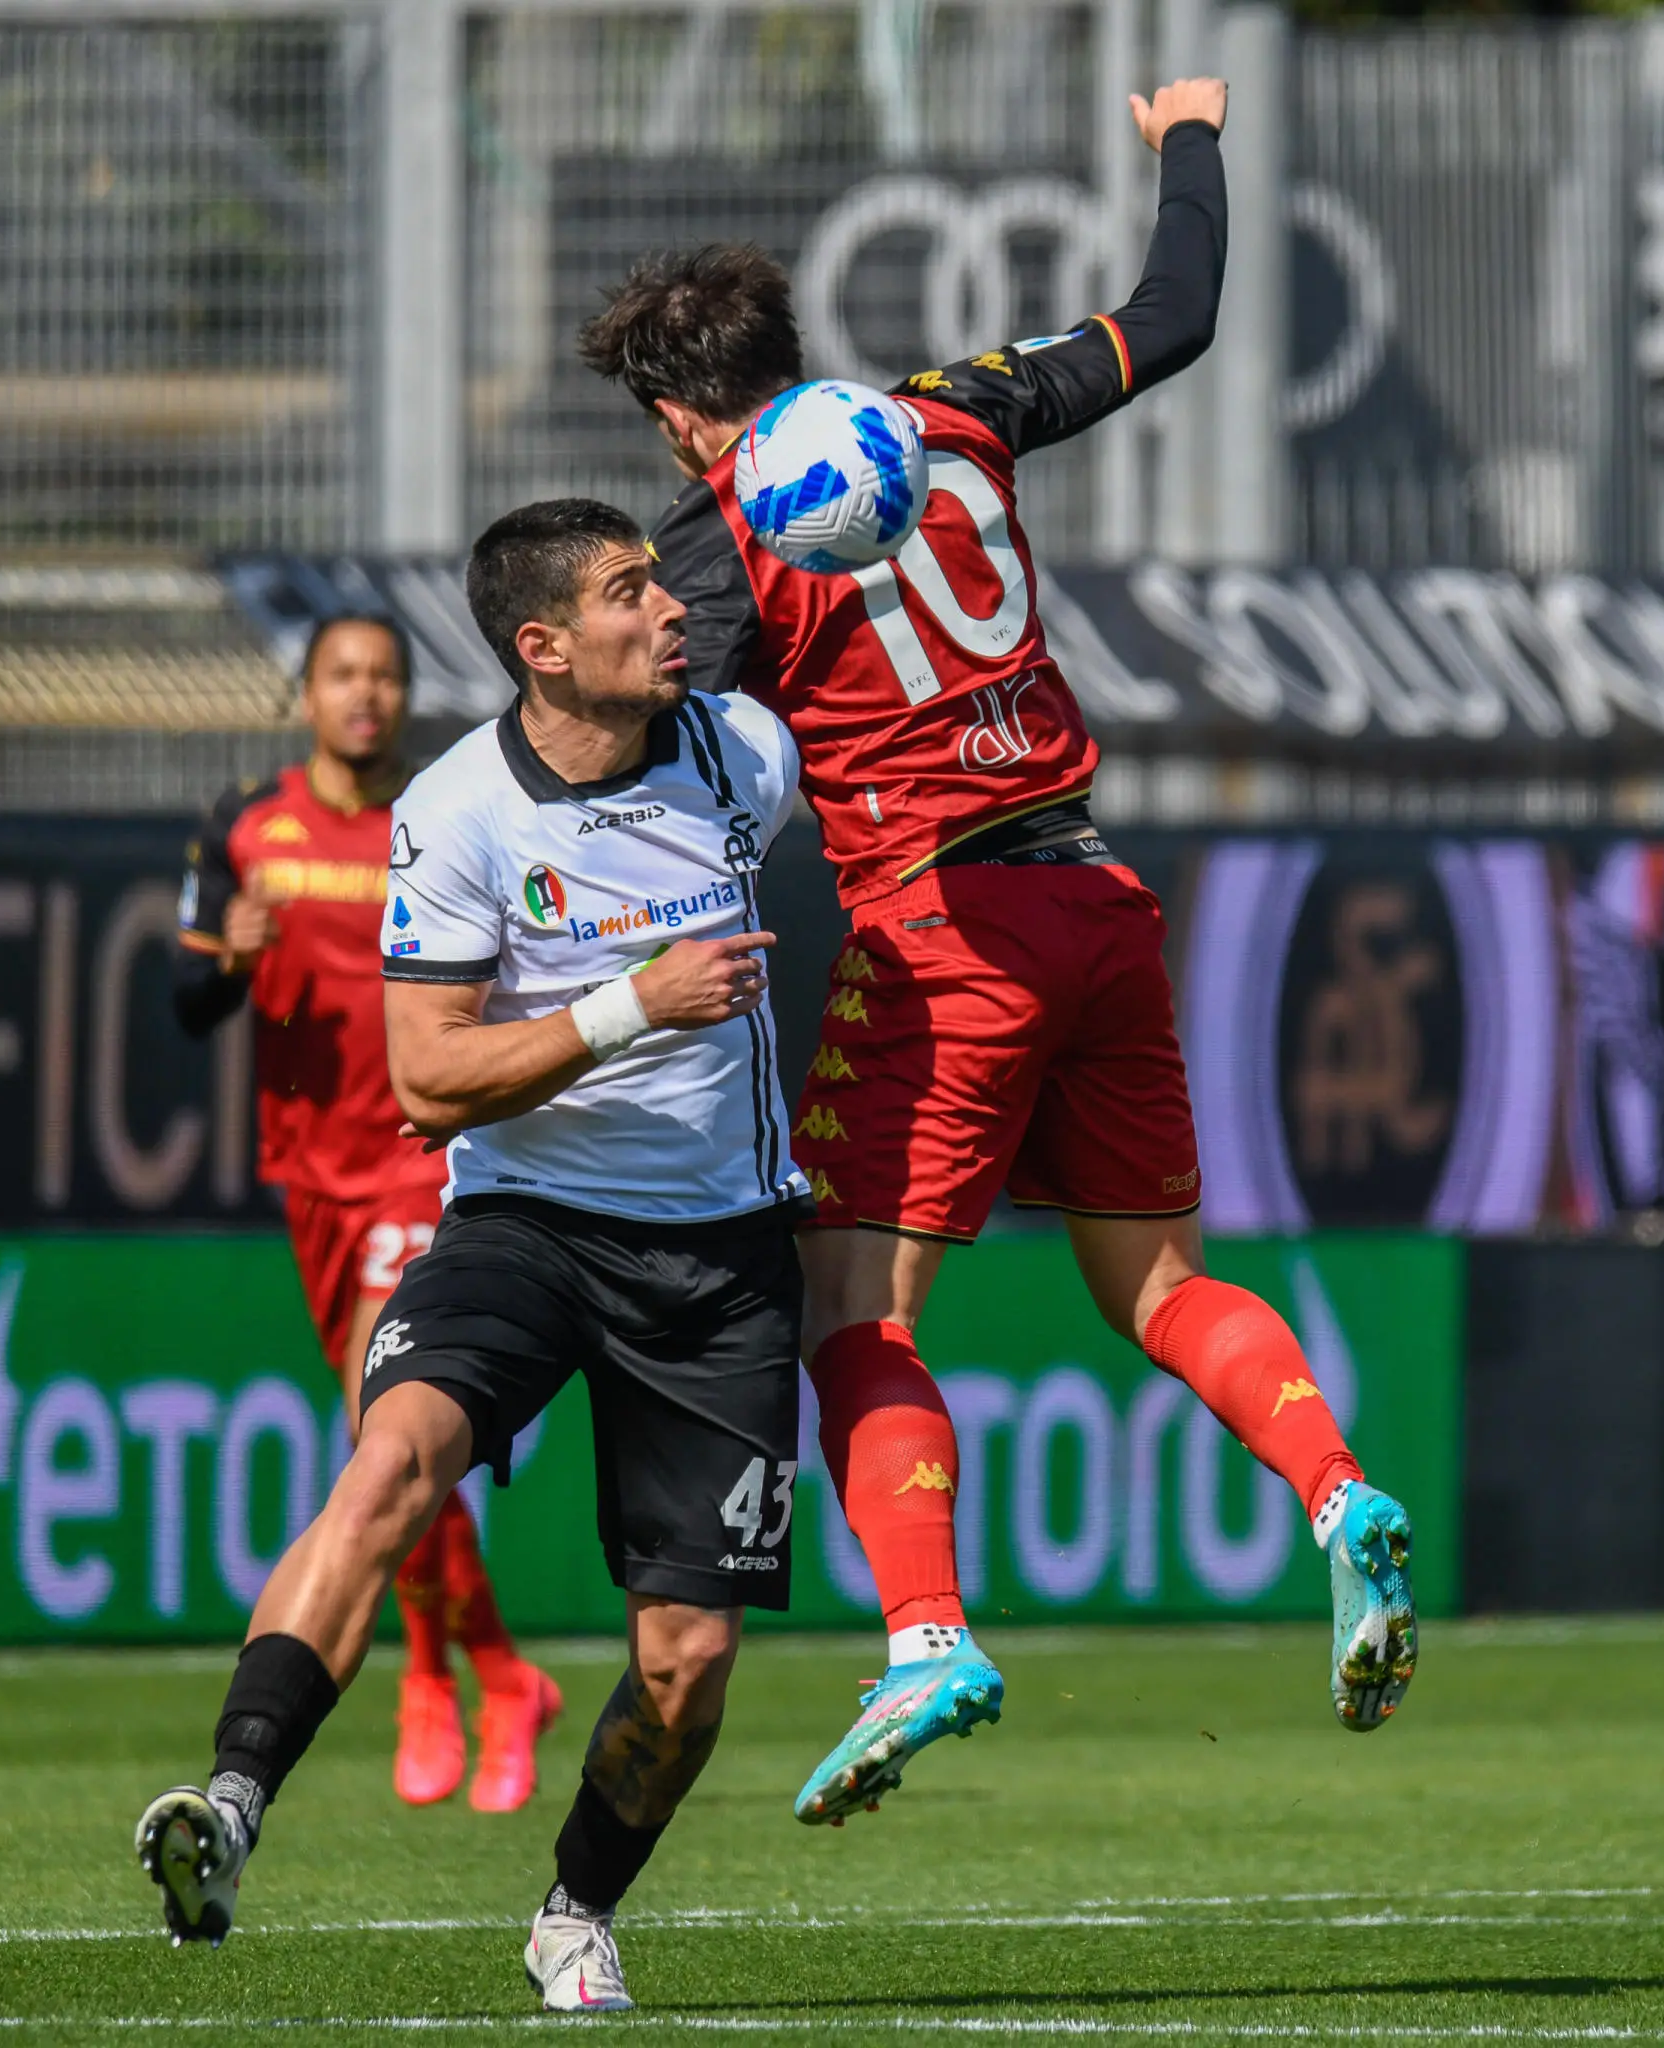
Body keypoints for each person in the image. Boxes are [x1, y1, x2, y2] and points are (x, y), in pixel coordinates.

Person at [575, 73, 1415, 1827]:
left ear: (675, 418)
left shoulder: (711, 550)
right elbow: (1173, 314)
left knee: (851, 1306)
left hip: (940, 927)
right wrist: (1188, 130)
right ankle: (1335, 1492)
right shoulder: (951, 411)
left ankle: (928, 1628)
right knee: (1161, 1285)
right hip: (1095, 898)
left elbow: (637, 744)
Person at [137, 499, 809, 2014]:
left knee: (687, 1662)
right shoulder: (457, 811)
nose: (670, 611)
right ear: (545, 648)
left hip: (720, 1260)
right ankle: (231, 1807)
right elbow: (429, 1079)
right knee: (385, 1470)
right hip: (526, 1226)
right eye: (631, 594)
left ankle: (576, 1911)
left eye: (661, 579)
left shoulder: (739, 754)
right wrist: (636, 1003)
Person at [174, 612, 559, 1814]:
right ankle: (469, 1667)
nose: (368, 694)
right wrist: (226, 959)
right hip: (312, 1176)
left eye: (386, 675)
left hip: (414, 1156)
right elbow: (188, 998)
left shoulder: (444, 807)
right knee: (380, 1439)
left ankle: (460, 1674)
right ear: (308, 695)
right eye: (345, 674)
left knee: (382, 1424)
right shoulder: (247, 823)